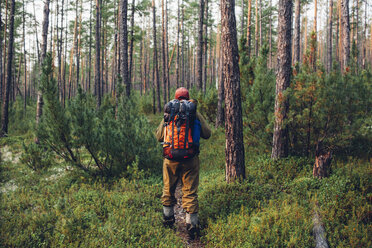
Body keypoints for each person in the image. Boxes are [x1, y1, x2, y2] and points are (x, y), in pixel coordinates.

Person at [155, 87, 211, 239]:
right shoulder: (194, 112)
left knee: (168, 189)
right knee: (190, 192)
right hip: (190, 159)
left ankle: (168, 221)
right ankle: (192, 227)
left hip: (170, 159)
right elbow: (207, 133)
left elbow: (159, 137)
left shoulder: (169, 112)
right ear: (188, 98)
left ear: (175, 98)